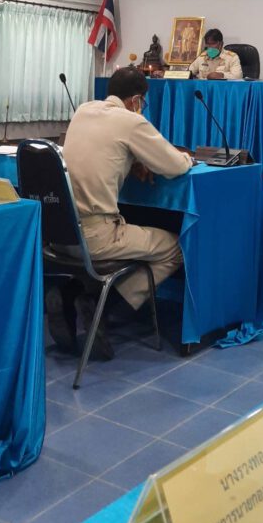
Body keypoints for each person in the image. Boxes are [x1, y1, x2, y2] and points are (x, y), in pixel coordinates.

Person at [54, 66, 192, 357]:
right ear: (136, 100)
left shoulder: (83, 111)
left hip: (58, 236)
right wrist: (187, 158)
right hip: (96, 236)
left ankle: (66, 293)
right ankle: (102, 309)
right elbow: (174, 166)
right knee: (175, 249)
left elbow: (106, 153)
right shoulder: (130, 121)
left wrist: (133, 162)